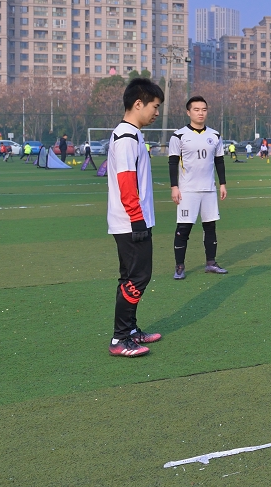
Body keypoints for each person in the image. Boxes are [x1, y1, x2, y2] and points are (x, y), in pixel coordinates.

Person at [106, 77, 164, 357]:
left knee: (130, 277)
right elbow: (126, 182)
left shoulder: (131, 134)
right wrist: (137, 219)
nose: (156, 112)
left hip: (132, 219)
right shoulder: (127, 137)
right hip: (130, 221)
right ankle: (119, 339)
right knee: (138, 277)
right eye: (155, 106)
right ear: (138, 104)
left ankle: (129, 330)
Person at [169, 96, 229, 281]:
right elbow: (172, 163)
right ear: (188, 112)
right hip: (187, 190)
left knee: (210, 226)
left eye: (204, 109)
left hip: (209, 189)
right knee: (183, 228)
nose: (200, 113)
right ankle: (180, 266)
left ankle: (211, 263)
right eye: (196, 109)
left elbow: (219, 161)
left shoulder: (215, 135)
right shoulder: (178, 136)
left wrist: (222, 183)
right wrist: (174, 187)